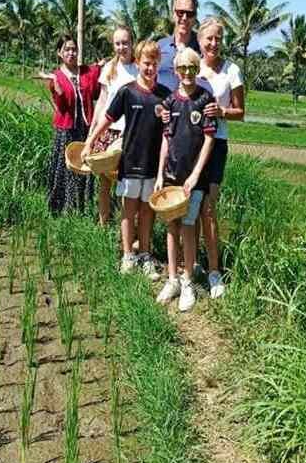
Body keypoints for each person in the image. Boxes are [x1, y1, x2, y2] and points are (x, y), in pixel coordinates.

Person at [83, 39, 169, 278]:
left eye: (154, 64)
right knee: (128, 209)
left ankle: (145, 254)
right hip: (130, 161)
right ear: (138, 63)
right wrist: (90, 142)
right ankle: (127, 255)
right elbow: (107, 119)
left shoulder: (165, 96)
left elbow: (169, 133)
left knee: (147, 211)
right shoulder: (127, 92)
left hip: (153, 165)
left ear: (159, 64)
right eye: (146, 63)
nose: (150, 68)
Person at [155, 48, 217, 312]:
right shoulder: (170, 102)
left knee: (189, 226)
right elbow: (166, 140)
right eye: (182, 68)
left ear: (197, 69)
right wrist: (160, 173)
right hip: (171, 176)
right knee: (172, 226)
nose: (187, 72)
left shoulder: (205, 100)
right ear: (176, 71)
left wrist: (195, 175)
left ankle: (188, 280)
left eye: (192, 67)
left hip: (194, 180)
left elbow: (209, 139)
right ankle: (172, 279)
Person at [196, 17, 245, 298]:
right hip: (191, 144)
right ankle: (189, 264)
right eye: (209, 38)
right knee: (189, 206)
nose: (213, 43)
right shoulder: (191, 66)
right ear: (200, 40)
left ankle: (214, 271)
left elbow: (241, 111)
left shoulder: (232, 71)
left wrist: (222, 111)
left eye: (218, 39)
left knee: (209, 208)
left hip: (217, 145)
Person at [36, 34, 101, 215]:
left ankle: (83, 207)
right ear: (59, 53)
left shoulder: (87, 72)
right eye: (67, 50)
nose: (71, 53)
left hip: (85, 128)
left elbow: (96, 92)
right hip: (66, 129)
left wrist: (101, 66)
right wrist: (55, 84)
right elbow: (62, 105)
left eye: (74, 49)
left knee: (84, 166)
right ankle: (62, 209)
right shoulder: (57, 76)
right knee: (65, 168)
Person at [87, 26, 137, 226]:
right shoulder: (109, 67)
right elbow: (102, 100)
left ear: (132, 43)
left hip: (129, 132)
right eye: (117, 43)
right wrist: (94, 129)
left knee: (126, 182)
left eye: (125, 43)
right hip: (108, 129)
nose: (121, 47)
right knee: (104, 181)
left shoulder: (139, 68)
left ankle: (126, 229)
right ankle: (103, 223)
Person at [157, 0, 201, 91]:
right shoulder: (159, 47)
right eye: (180, 12)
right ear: (173, 14)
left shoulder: (202, 48)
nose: (184, 18)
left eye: (189, 14)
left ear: (195, 17)